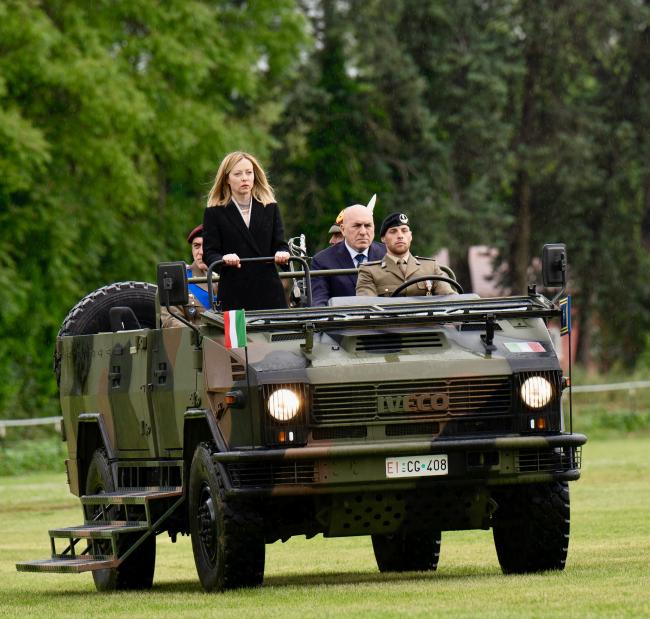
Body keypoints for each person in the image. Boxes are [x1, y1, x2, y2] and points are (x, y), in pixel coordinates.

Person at [202, 151, 290, 311]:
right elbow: (209, 253)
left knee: (274, 335)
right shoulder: (214, 212)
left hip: (269, 293)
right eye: (238, 174)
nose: (245, 178)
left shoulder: (270, 207)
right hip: (234, 294)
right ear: (227, 178)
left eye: (249, 173)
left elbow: (280, 244)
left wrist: (283, 254)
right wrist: (223, 258)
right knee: (239, 337)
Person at [356, 212, 458, 297]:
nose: (400, 236)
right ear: (383, 238)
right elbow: (368, 309)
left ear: (410, 236)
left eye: (404, 231)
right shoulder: (369, 271)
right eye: (393, 231)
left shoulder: (430, 267)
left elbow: (449, 298)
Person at [311, 204, 386, 306]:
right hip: (342, 320)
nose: (363, 232)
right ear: (342, 229)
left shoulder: (388, 255)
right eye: (357, 226)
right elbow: (319, 303)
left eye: (368, 225)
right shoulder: (322, 261)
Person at [161, 224, 215, 328]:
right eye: (196, 246)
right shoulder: (178, 279)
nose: (201, 252)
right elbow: (170, 321)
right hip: (195, 341)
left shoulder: (224, 278)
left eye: (207, 245)